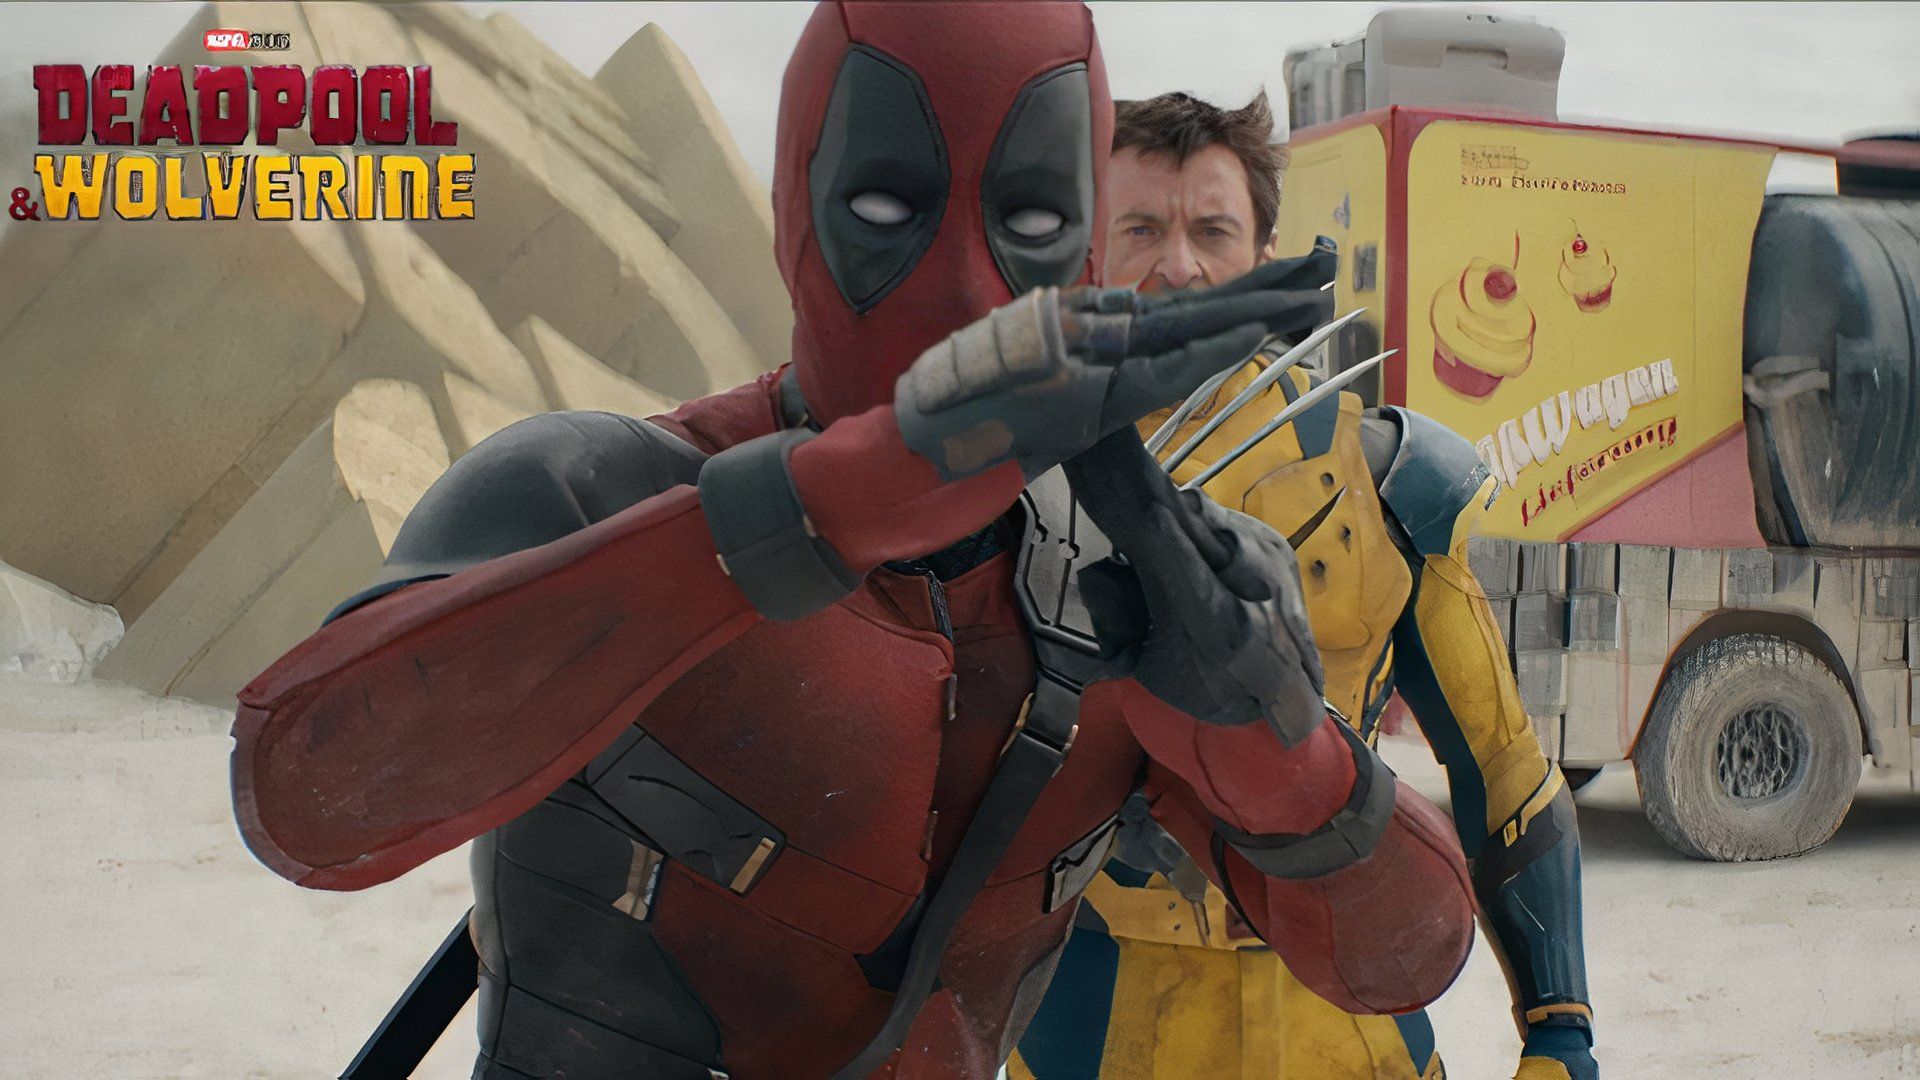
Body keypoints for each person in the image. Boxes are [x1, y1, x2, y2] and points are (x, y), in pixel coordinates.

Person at [227, 8, 1477, 1079]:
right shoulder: (594, 491)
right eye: (886, 205)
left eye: (1032, 218)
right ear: (795, 206)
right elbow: (303, 799)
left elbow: (1402, 958)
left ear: (1083, 250)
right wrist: (805, 517)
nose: (966, 291)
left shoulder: (1129, 582)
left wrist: (1278, 750)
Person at [1013, 90, 1598, 1080]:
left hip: (1353, 1008)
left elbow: (1500, 760)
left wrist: (1560, 1027)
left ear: (1265, 252)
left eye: (1212, 230)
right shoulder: (1007, 476)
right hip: (1099, 1012)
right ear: (1090, 254)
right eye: (1142, 228)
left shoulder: (1385, 476)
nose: (1179, 265)